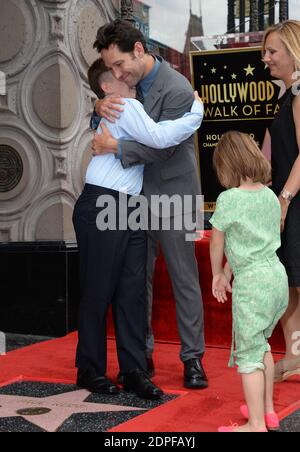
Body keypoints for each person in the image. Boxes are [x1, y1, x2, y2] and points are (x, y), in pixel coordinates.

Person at [73, 58, 204, 400]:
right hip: (105, 203)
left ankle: (133, 370)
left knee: (133, 292)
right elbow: (159, 137)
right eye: (113, 72)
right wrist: (196, 115)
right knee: (99, 289)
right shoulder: (123, 103)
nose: (121, 74)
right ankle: (89, 369)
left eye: (121, 65)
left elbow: (158, 144)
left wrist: (112, 138)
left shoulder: (165, 87)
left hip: (133, 205)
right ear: (105, 87)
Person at [210, 131, 288, 433]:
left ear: (226, 165)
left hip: (253, 285)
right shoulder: (270, 196)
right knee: (262, 346)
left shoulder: (229, 199)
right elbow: (252, 242)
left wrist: (217, 272)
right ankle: (267, 411)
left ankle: (255, 425)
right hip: (275, 279)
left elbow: (218, 243)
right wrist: (229, 273)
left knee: (249, 355)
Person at [263, 20, 300, 382]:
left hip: (296, 199)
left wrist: (285, 199)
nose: (266, 58)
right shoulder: (288, 94)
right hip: (289, 197)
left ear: (293, 51)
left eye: (273, 51)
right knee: (289, 281)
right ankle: (294, 356)